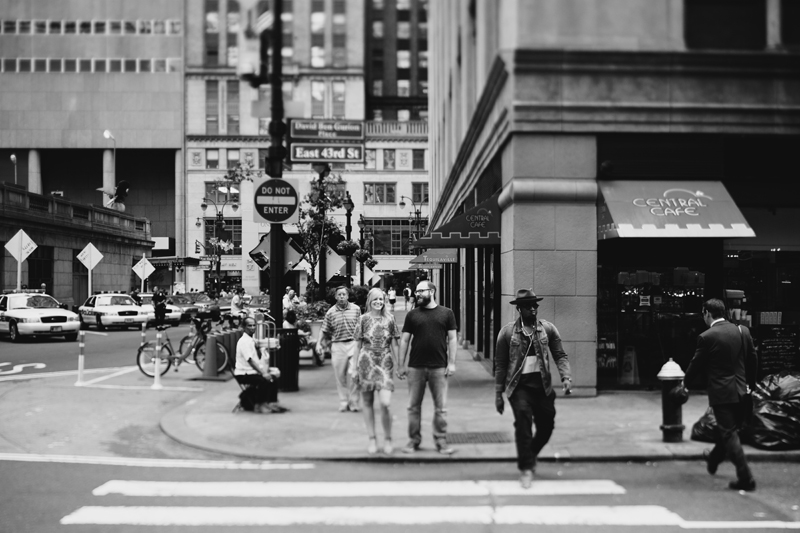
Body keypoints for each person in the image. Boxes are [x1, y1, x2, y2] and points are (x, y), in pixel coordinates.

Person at [495, 288, 572, 489]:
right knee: (523, 423)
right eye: (529, 306)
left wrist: (566, 377)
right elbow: (501, 364)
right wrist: (498, 395)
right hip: (518, 387)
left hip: (543, 387)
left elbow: (560, 355)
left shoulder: (547, 329)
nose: (533, 309)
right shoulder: (507, 332)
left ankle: (530, 454)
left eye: (535, 305)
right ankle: (526, 469)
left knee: (547, 426)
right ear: (519, 309)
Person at [684, 298, 757, 492]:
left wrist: (684, 384)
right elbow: (753, 361)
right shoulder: (743, 331)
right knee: (730, 430)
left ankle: (745, 478)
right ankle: (715, 457)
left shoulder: (707, 337)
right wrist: (751, 385)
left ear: (707, 313)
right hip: (742, 391)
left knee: (728, 433)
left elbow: (695, 364)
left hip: (722, 393)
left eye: (703, 314)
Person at [397, 281, 458, 455]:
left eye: (421, 291)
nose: (417, 294)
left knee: (441, 408)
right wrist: (401, 365)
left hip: (439, 366)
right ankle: (413, 440)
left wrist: (452, 363)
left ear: (431, 291)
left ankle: (441, 441)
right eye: (416, 292)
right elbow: (404, 340)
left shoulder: (447, 313)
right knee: (413, 406)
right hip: (415, 366)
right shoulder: (412, 315)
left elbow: (452, 339)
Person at [353, 288, 401, 454]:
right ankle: (372, 438)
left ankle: (388, 438)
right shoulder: (363, 319)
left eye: (381, 299)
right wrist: (353, 368)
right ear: (370, 301)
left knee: (385, 403)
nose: (378, 302)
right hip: (366, 362)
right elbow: (357, 345)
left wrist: (400, 363)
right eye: (375, 299)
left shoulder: (390, 319)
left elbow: (395, 343)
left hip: (385, 363)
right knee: (367, 402)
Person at [318, 286, 361, 412]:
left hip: (354, 344)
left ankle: (354, 402)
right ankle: (343, 402)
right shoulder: (330, 312)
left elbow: (361, 327)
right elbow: (324, 329)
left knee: (355, 374)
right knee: (340, 376)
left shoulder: (356, 309)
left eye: (344, 294)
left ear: (348, 296)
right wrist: (318, 344)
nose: (342, 296)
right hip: (338, 345)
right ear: (336, 297)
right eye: (339, 294)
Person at [233, 317, 287, 413]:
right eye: (249, 325)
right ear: (244, 327)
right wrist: (263, 373)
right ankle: (260, 405)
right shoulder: (244, 341)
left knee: (273, 378)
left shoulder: (250, 339)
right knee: (265, 380)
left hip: (250, 371)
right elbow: (250, 361)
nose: (252, 327)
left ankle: (272, 403)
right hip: (243, 373)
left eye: (254, 325)